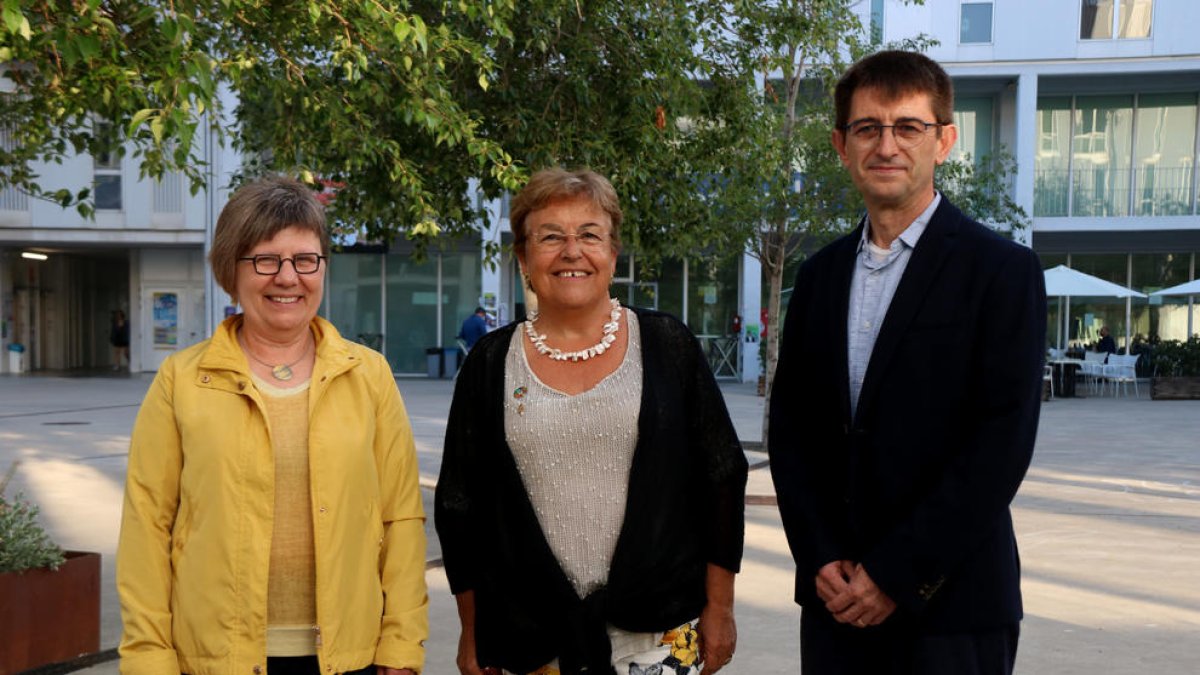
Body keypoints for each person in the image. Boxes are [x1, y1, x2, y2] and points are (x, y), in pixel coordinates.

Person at [768, 50, 1047, 675]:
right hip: (837, 602)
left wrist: (895, 573)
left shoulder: (1001, 271)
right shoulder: (819, 277)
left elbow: (1000, 445)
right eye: (868, 128)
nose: (886, 145)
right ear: (841, 145)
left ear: (944, 140)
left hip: (951, 606)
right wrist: (820, 556)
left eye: (908, 127)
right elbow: (792, 432)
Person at [436, 168, 748, 675]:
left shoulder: (667, 345)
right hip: (531, 642)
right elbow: (458, 506)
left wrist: (721, 607)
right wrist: (473, 632)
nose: (571, 251)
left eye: (589, 235)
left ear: (613, 254)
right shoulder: (490, 363)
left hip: (659, 634)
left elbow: (721, 476)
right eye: (550, 237)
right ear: (523, 258)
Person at [117, 175, 428, 675]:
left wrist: (402, 642)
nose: (288, 278)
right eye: (265, 260)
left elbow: (401, 518)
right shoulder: (182, 380)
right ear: (231, 270)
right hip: (216, 659)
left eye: (305, 260)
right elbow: (146, 527)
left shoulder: (368, 375)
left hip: (351, 655)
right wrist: (149, 658)